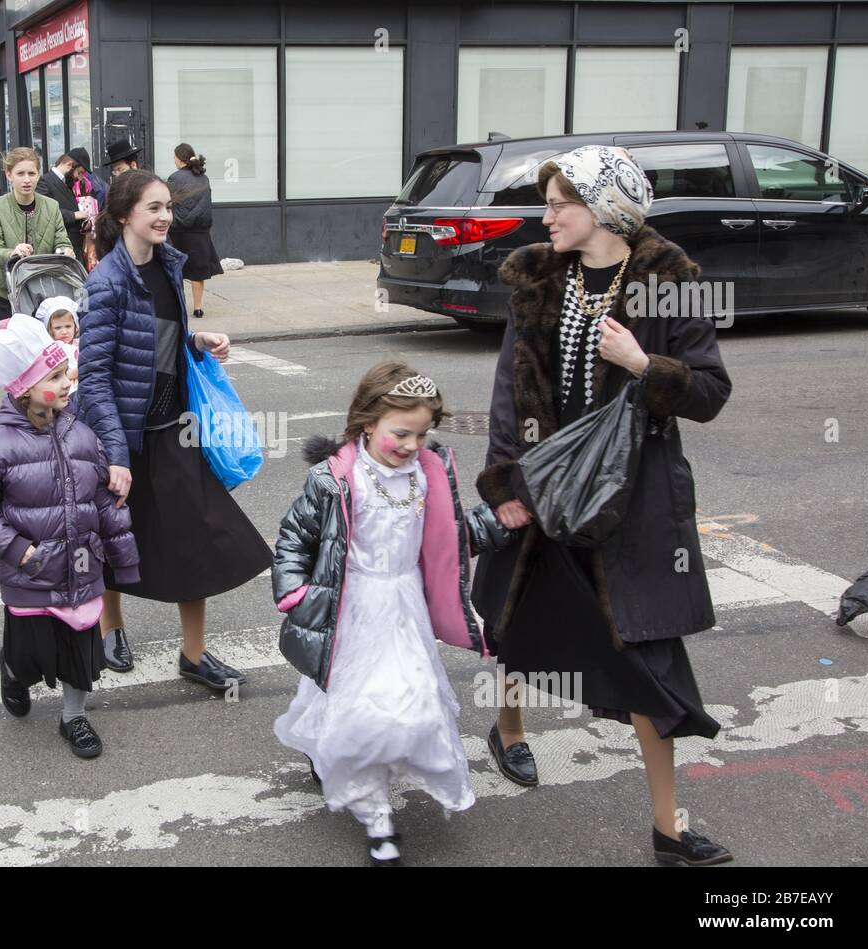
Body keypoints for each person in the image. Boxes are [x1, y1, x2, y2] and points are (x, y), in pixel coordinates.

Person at [473, 144, 734, 865]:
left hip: (630, 500)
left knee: (651, 657)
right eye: (547, 201)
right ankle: (510, 727)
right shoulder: (536, 280)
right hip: (545, 484)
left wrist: (645, 366)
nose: (546, 213)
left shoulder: (668, 278)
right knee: (521, 613)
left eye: (561, 201)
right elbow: (508, 395)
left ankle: (668, 828)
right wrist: (507, 486)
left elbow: (710, 391)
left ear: (606, 208)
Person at [272, 361, 486, 866]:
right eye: (400, 433)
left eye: (422, 434)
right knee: (358, 704)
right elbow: (294, 538)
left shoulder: (428, 474)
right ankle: (377, 817)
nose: (412, 445)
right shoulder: (336, 480)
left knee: (408, 701)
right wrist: (294, 591)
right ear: (367, 423)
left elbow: (452, 539)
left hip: (405, 607)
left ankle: (343, 759)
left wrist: (501, 521)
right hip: (351, 607)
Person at [78, 169, 272, 680]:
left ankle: (193, 653)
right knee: (116, 535)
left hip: (174, 426)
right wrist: (117, 454)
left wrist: (196, 341)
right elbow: (94, 377)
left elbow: (157, 341)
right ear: (124, 216)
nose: (166, 217)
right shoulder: (106, 284)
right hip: (124, 436)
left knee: (197, 536)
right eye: (154, 208)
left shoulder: (168, 265)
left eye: (168, 207)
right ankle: (110, 626)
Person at [0, 322, 141, 759]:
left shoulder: (82, 435)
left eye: (66, 374)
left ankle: (74, 716)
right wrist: (18, 549)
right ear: (24, 389)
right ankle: (12, 669)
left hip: (83, 568)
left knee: (82, 653)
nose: (67, 382)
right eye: (55, 377)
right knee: (29, 655)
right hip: (31, 570)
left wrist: (122, 557)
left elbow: (105, 503)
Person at [0, 147, 75, 322]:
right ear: (9, 175)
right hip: (6, 289)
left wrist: (65, 249)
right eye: (20, 174)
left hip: (43, 288)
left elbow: (62, 239)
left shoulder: (51, 206)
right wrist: (12, 253)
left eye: (32, 173)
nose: (27, 180)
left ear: (38, 175)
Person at [166, 143, 223, 318]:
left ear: (179, 158)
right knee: (198, 272)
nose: (174, 160)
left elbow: (170, 203)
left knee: (178, 270)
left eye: (174, 157)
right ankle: (198, 307)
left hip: (179, 231)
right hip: (200, 232)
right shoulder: (203, 178)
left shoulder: (174, 178)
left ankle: (180, 306)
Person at [37, 153, 91, 266]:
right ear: (69, 165)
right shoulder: (45, 182)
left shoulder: (66, 182)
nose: (80, 177)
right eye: (79, 172)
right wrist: (74, 215)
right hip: (61, 250)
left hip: (73, 248)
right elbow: (45, 212)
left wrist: (84, 222)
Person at [35, 295, 80, 393]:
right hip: (64, 391)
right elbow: (48, 376)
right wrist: (71, 373)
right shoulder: (50, 350)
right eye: (58, 328)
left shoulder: (80, 344)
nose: (64, 331)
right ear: (50, 329)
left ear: (75, 326)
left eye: (68, 326)